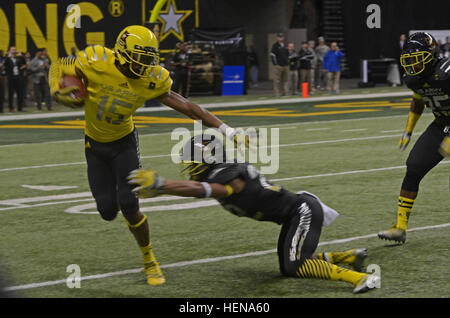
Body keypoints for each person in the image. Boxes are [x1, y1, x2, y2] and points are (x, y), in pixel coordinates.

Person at [48, 25, 248, 286]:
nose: (145, 66)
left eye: (148, 59)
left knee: (130, 206)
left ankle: (149, 260)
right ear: (122, 53)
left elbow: (188, 107)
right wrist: (57, 88)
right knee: (107, 211)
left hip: (124, 144)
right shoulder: (96, 59)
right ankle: (120, 205)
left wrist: (228, 130)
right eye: (140, 59)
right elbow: (59, 67)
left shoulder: (151, 79)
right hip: (94, 146)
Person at [127, 134, 380, 294]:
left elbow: (206, 190)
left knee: (295, 266)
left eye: (192, 162)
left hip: (301, 211)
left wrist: (163, 185)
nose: (191, 169)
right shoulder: (226, 170)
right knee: (287, 265)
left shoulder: (225, 176)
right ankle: (348, 256)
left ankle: (360, 278)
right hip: (293, 214)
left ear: (207, 159)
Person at [378, 32, 450, 243]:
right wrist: (408, 130)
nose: (413, 65)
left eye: (417, 59)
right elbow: (418, 102)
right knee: (414, 167)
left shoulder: (446, 73)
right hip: (442, 124)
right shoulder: (413, 79)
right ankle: (400, 228)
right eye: (409, 60)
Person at [4, 46, 27, 112]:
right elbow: (4, 65)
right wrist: (8, 57)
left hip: (18, 77)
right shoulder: (7, 58)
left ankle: (20, 108)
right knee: (11, 93)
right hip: (11, 78)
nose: (14, 51)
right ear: (10, 51)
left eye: (15, 50)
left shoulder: (18, 58)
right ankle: (11, 108)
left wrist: (21, 56)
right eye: (12, 50)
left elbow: (24, 64)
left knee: (20, 93)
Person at [270, 33, 289, 97]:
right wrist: (275, 64)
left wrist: (288, 61)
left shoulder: (285, 45)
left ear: (283, 38)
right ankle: (277, 93)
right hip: (279, 65)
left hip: (285, 65)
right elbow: (272, 55)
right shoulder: (275, 46)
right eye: (279, 37)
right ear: (277, 38)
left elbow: (287, 54)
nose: (280, 38)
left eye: (281, 37)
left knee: (285, 80)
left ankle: (285, 92)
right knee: (277, 80)